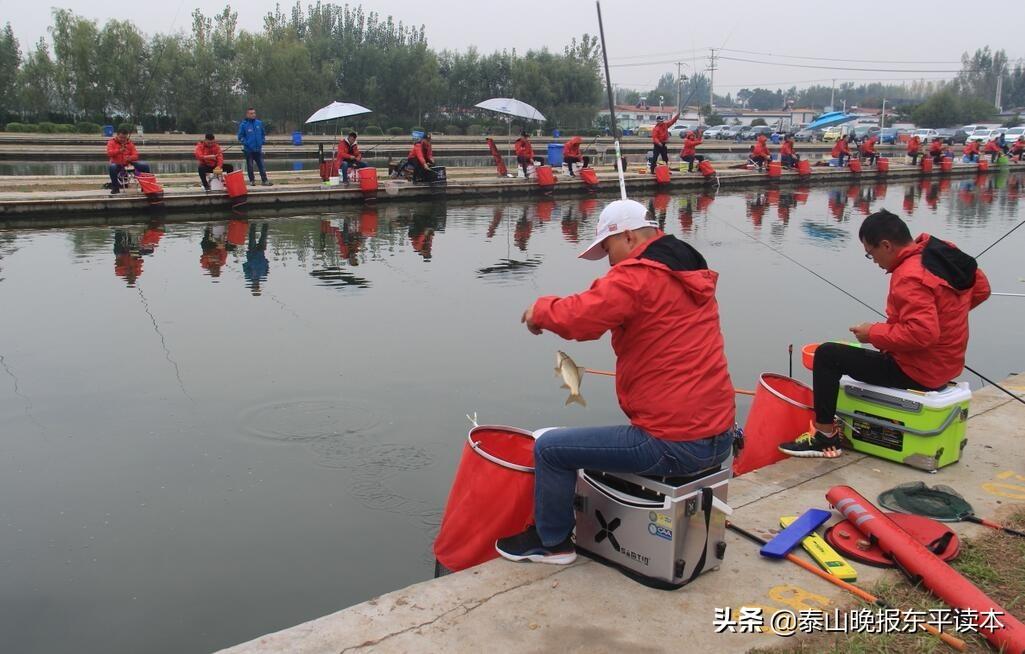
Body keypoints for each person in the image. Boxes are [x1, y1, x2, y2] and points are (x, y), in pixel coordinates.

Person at [496, 199, 738, 563]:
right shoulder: (690, 272)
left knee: (550, 448)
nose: (609, 260)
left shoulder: (638, 276)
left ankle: (552, 543)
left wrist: (540, 312)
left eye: (608, 249)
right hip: (721, 438)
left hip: (675, 443)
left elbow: (582, 317)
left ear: (627, 237)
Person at [779, 210, 990, 458]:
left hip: (919, 371)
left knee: (827, 355)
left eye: (871, 254)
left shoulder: (909, 275)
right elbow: (981, 290)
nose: (875, 261)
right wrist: (947, 318)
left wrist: (873, 333)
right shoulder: (940, 251)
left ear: (886, 245)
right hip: (948, 365)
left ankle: (825, 436)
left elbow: (922, 333)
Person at [106, 128, 151, 195]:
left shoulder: (130, 143)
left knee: (145, 166)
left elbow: (136, 155)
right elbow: (109, 153)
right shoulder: (111, 142)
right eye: (121, 137)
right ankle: (115, 188)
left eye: (124, 138)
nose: (123, 139)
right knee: (112, 167)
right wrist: (119, 150)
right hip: (117, 163)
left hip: (129, 164)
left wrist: (130, 158)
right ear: (117, 135)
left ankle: (145, 187)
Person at [237, 107, 272, 186]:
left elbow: (263, 134)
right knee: (250, 166)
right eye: (251, 113)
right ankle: (252, 181)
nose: (253, 115)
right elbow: (240, 137)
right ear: (247, 114)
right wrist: (247, 143)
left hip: (258, 149)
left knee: (261, 165)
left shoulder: (259, 123)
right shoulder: (244, 124)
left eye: (254, 113)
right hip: (248, 150)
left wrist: (262, 141)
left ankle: (264, 180)